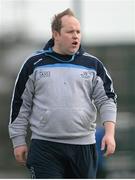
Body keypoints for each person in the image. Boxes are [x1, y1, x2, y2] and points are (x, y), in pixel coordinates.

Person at [8, 8, 117, 178]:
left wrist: (110, 134)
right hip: (45, 147)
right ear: (56, 34)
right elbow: (20, 105)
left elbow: (107, 99)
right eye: (70, 31)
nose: (76, 36)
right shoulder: (34, 64)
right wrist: (18, 141)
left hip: (84, 148)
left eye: (78, 32)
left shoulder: (93, 65)